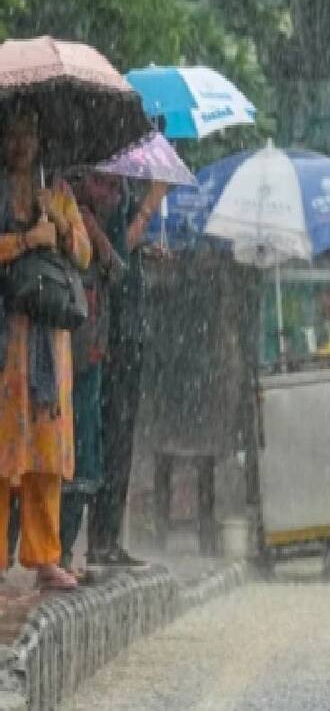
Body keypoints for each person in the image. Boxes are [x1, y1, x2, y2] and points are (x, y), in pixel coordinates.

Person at [0, 102, 91, 590]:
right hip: (6, 337)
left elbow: (83, 253)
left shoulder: (57, 192)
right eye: (12, 134)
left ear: (40, 140)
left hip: (47, 343)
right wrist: (24, 242)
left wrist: (56, 222)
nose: (20, 145)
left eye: (28, 135)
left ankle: (44, 556)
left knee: (45, 451)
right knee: (2, 449)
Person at [87, 177, 166, 568]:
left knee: (123, 438)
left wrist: (146, 249)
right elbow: (115, 254)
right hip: (112, 333)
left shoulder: (122, 192)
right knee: (112, 434)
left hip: (130, 330)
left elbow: (128, 249)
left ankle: (110, 536)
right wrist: (152, 202)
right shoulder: (108, 194)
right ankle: (100, 539)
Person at [59, 170, 125, 573]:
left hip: (91, 358)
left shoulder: (97, 226)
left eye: (116, 188)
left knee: (86, 458)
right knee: (63, 456)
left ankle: (66, 548)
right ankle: (54, 550)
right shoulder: (60, 212)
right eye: (104, 184)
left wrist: (98, 234)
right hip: (62, 356)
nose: (112, 195)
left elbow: (117, 271)